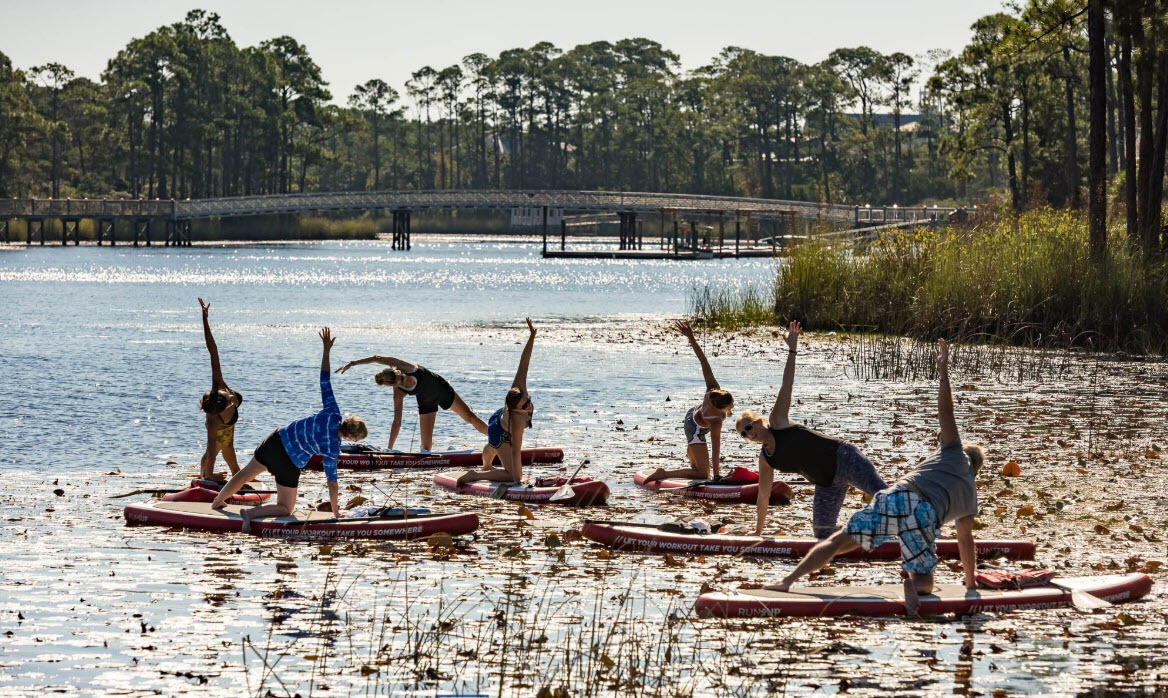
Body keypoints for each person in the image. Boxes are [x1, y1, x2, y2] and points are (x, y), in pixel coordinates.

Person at [764, 339, 984, 618]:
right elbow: (965, 539)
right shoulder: (969, 493)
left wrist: (943, 372)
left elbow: (946, 412)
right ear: (976, 470)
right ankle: (915, 586)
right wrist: (971, 584)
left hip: (899, 496)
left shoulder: (952, 451)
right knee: (925, 581)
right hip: (925, 515)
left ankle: (787, 581)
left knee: (836, 543)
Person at [735, 321, 888, 539]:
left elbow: (786, 385)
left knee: (886, 499)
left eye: (749, 427)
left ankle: (927, 525)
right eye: (744, 434)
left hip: (845, 459)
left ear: (758, 421)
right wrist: (758, 532)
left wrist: (792, 350)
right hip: (827, 483)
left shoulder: (778, 421)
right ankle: (870, 536)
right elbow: (763, 495)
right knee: (822, 531)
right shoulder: (766, 459)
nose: (749, 434)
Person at [211, 328, 368, 532]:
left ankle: (217, 501)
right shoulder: (332, 448)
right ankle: (250, 514)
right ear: (352, 438)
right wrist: (336, 512)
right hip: (289, 463)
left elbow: (324, 379)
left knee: (245, 474)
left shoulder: (332, 412)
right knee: (286, 508)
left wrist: (326, 350)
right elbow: (332, 482)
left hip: (275, 441)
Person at [642, 321, 734, 484]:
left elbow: (703, 361)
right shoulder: (716, 421)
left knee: (698, 465)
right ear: (721, 408)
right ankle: (663, 473)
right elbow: (716, 448)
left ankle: (694, 454)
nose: (732, 407)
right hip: (694, 429)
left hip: (691, 413)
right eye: (730, 406)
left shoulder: (713, 389)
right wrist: (717, 476)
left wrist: (691, 337)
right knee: (703, 474)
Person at [335, 355, 486, 453]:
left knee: (471, 418)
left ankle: (496, 438)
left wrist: (353, 363)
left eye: (399, 375)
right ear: (394, 385)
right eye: (399, 381)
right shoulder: (398, 393)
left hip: (441, 389)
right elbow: (397, 422)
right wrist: (389, 451)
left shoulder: (406, 367)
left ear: (395, 371)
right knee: (426, 449)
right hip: (426, 403)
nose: (403, 378)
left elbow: (376, 358)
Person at [455, 319, 537, 485]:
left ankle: (486, 464)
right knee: (511, 474)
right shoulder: (517, 422)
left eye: (527, 400)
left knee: (493, 446)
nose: (529, 405)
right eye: (525, 406)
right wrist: (517, 481)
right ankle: (475, 475)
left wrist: (532, 336)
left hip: (497, 419)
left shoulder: (518, 389)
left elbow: (524, 362)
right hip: (500, 431)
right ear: (515, 410)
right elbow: (516, 452)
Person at [197, 298, 242, 481]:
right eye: (230, 400)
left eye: (229, 398)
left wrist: (205, 319)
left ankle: (236, 474)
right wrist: (211, 476)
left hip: (228, 427)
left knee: (229, 452)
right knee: (213, 451)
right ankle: (203, 475)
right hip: (223, 427)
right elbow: (210, 450)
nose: (231, 398)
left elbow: (212, 349)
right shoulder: (213, 420)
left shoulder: (219, 384)